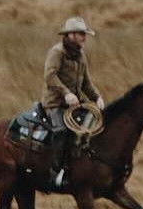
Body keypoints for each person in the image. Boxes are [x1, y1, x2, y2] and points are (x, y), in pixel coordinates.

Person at [42, 17, 105, 187]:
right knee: (62, 131)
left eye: (84, 34)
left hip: (75, 105)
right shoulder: (57, 52)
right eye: (81, 34)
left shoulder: (81, 55)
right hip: (54, 103)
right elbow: (50, 76)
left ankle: (81, 167)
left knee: (92, 125)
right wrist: (66, 94)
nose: (84, 37)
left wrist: (97, 97)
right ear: (70, 35)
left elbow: (86, 83)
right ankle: (55, 174)